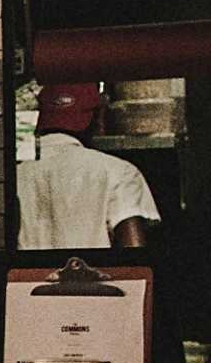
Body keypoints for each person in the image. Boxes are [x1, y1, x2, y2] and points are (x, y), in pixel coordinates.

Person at [17, 81, 158, 251]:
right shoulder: (120, 173)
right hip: (93, 269)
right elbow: (134, 254)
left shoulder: (14, 176)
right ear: (97, 119)